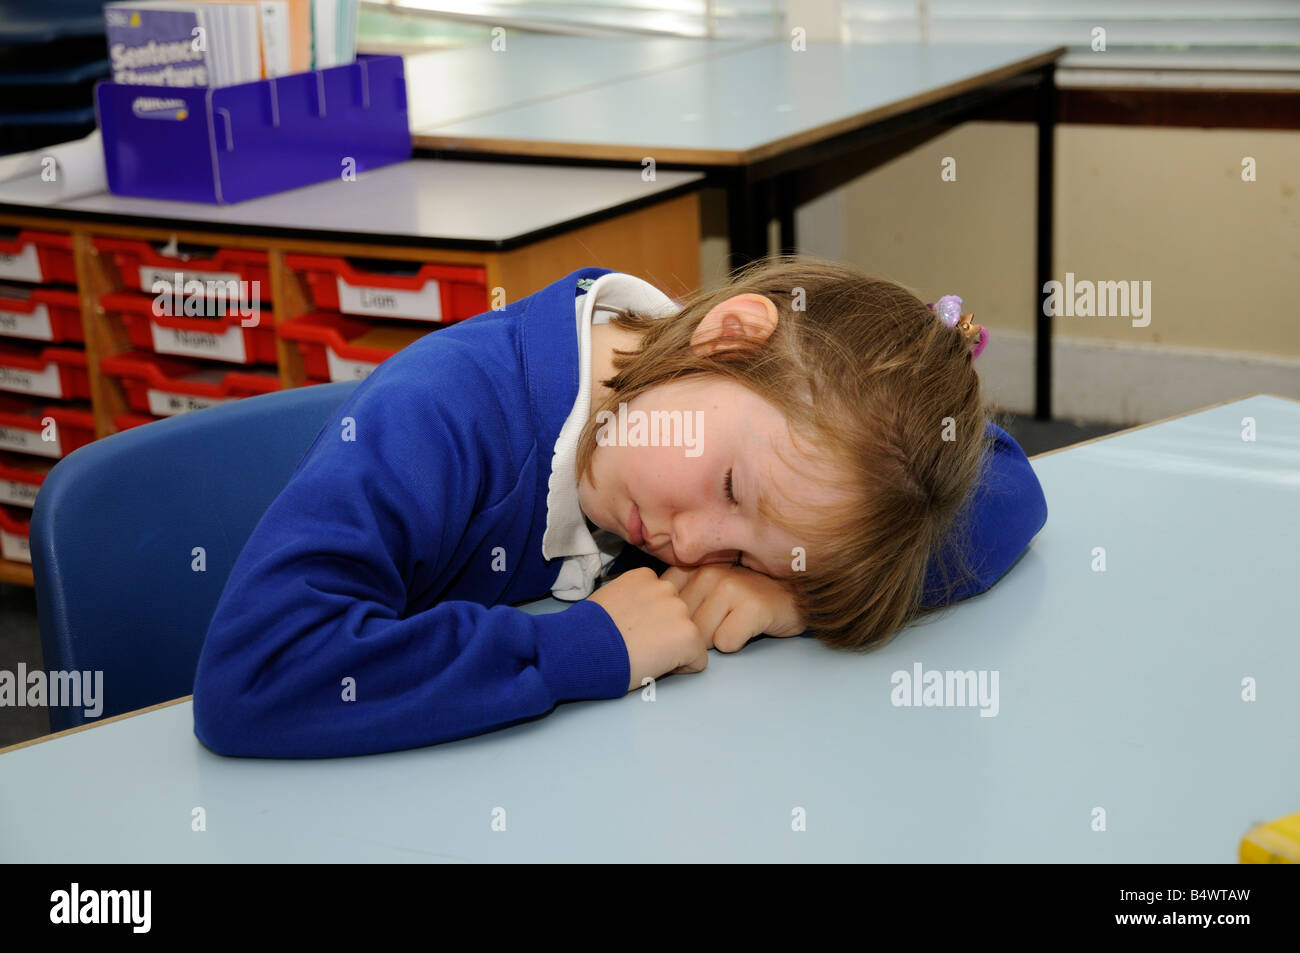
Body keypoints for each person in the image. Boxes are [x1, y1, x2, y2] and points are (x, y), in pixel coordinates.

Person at [192, 255, 1046, 758]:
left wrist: (797, 585)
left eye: (741, 552)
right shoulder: (444, 415)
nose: (693, 547)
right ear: (730, 336)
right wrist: (582, 647)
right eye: (731, 488)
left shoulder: (704, 397)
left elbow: (1006, 486)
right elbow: (255, 673)